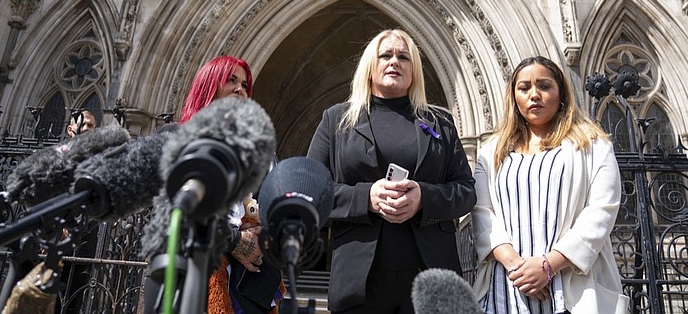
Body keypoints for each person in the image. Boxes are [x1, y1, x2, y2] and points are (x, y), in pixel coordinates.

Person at [307, 29, 476, 314]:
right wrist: (366, 197)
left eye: (403, 57)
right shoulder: (336, 120)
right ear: (370, 67)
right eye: (385, 55)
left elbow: (466, 191)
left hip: (432, 278)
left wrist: (424, 198)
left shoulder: (441, 123)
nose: (394, 62)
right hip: (359, 283)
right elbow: (311, 189)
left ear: (415, 70)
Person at [471, 56, 629, 314]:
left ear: (561, 93)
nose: (534, 95)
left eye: (544, 86)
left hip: (572, 289)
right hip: (507, 289)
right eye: (524, 88)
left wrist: (548, 266)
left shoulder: (593, 145)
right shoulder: (491, 152)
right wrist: (519, 269)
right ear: (514, 97)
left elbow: (601, 211)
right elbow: (482, 212)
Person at [144, 55, 284, 314]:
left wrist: (261, 238)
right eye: (231, 80)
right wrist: (232, 240)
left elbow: (272, 212)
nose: (240, 89)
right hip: (184, 276)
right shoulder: (175, 138)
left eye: (244, 85)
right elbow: (171, 213)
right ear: (209, 86)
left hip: (246, 285)